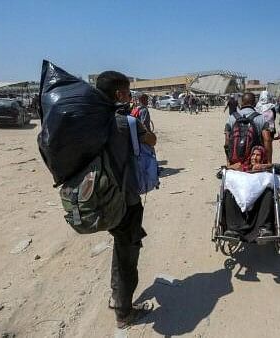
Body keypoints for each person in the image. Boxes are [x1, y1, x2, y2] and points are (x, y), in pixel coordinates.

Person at [96, 71, 157, 329]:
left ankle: (115, 297)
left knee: (120, 247)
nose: (130, 95)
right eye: (128, 91)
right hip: (127, 199)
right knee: (128, 255)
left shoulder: (93, 120)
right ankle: (124, 313)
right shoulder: (126, 122)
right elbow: (152, 141)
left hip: (102, 196)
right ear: (120, 94)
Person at [223, 146, 275, 239]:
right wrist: (231, 167)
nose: (254, 157)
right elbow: (224, 171)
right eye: (253, 154)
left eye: (258, 155)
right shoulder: (243, 167)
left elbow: (278, 168)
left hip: (258, 204)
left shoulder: (267, 170)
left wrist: (263, 167)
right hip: (241, 200)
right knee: (228, 191)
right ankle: (233, 229)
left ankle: (264, 228)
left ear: (262, 157)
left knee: (269, 192)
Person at [224, 92, 274, 166]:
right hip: (255, 161)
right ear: (255, 103)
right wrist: (269, 161)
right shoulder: (261, 118)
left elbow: (227, 141)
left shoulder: (231, 118)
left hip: (236, 162)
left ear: (241, 103)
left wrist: (229, 161)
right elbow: (267, 139)